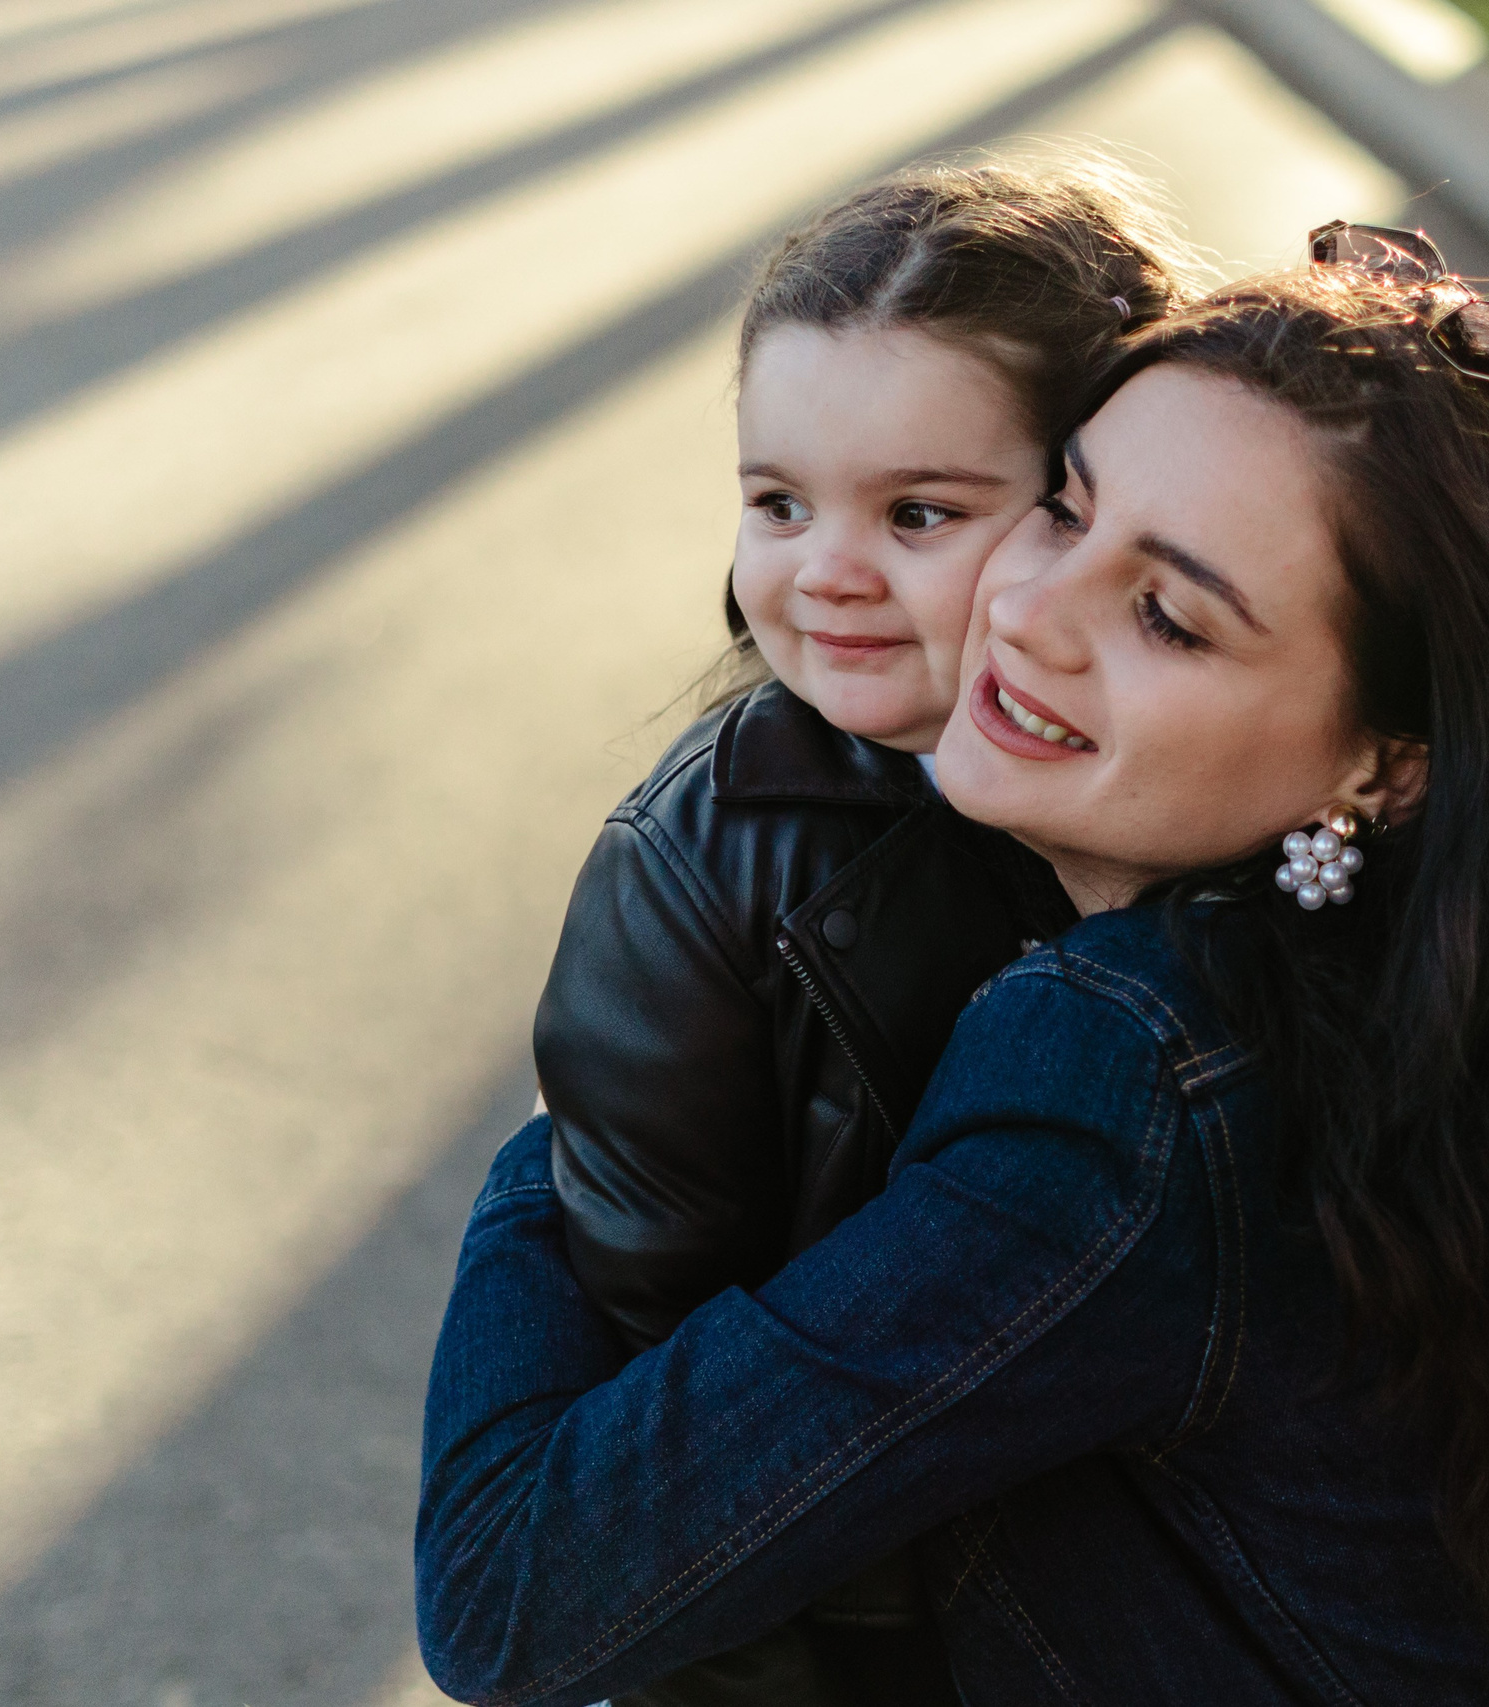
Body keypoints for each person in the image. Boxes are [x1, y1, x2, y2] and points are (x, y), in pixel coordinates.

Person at [417, 242, 1489, 1706]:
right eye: (1065, 506)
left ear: (1387, 761)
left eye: (1169, 616)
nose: (1030, 611)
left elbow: (512, 1596)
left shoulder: (1139, 1078)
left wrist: (592, 1106)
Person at [527, 162, 1187, 1704]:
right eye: (777, 502)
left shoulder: (1222, 778)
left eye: (918, 513)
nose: (823, 573)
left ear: (1097, 506)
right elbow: (671, 1426)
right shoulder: (704, 870)